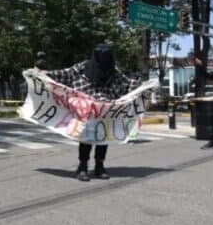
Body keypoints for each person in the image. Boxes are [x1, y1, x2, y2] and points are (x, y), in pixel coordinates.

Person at [43, 44, 140, 181]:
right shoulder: (83, 67)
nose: (104, 60)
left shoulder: (114, 71)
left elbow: (127, 84)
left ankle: (99, 166)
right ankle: (82, 167)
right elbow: (66, 74)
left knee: (103, 139)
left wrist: (142, 86)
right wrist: (44, 74)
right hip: (87, 109)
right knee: (86, 139)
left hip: (105, 110)